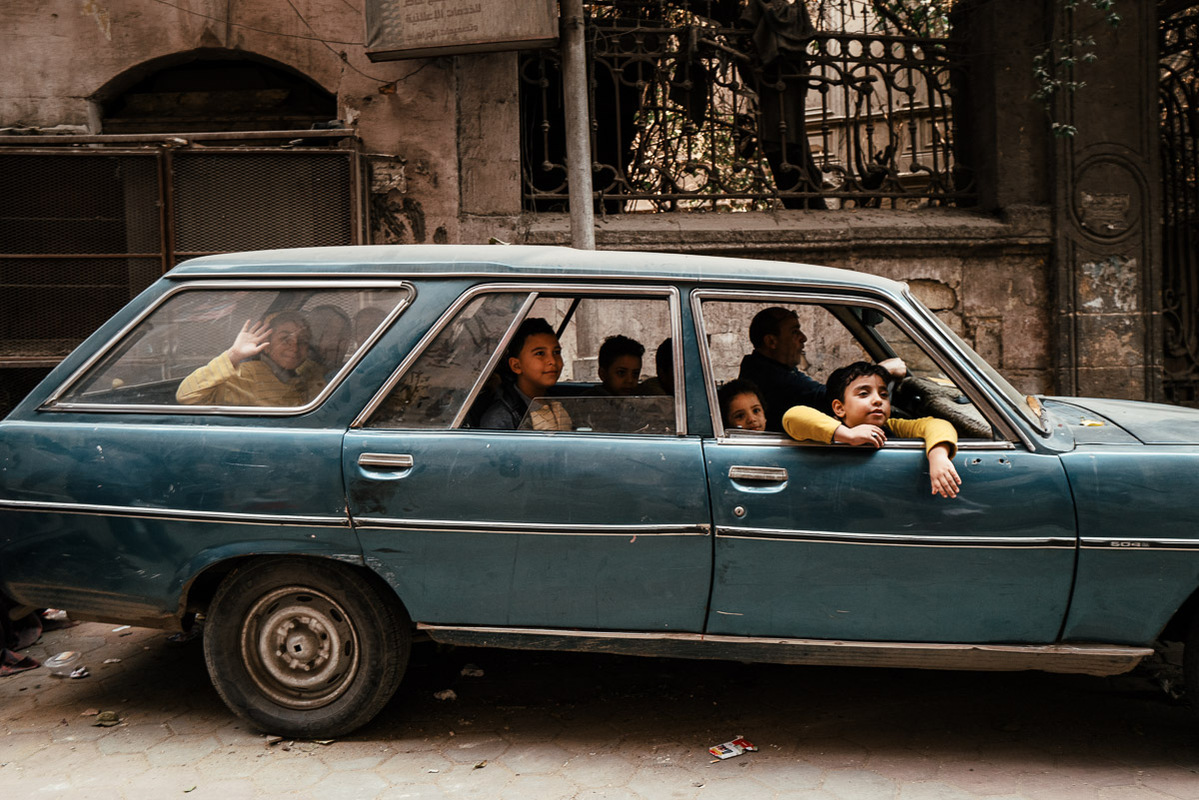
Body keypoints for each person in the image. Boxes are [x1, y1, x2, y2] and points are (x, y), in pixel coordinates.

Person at [782, 361, 961, 498]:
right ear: (839, 408)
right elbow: (793, 416)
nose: (877, 400)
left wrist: (938, 456)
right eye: (864, 394)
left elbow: (937, 424)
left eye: (883, 394)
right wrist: (848, 435)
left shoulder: (892, 426)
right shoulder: (832, 426)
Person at [738, 306, 906, 431]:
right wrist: (881, 371)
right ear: (771, 342)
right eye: (795, 332)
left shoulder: (776, 369)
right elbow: (828, 397)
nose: (803, 338)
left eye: (882, 395)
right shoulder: (769, 377)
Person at [175, 311, 326, 406]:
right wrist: (233, 355)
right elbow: (187, 395)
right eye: (285, 338)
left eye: (303, 340)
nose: (294, 347)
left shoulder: (308, 373)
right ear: (266, 345)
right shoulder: (244, 376)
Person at [480, 317, 572, 431]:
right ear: (516, 366)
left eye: (556, 352)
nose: (552, 361)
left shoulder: (557, 403)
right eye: (540, 353)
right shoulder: (503, 417)